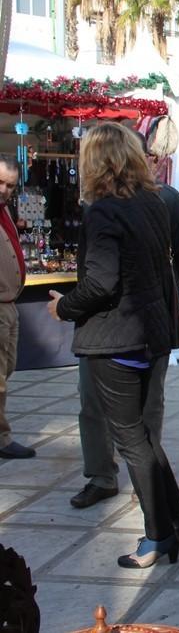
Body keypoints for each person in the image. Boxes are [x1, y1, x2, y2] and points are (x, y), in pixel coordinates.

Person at [46, 122, 179, 568]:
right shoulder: (152, 202)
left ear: (95, 161)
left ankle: (158, 535)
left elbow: (100, 283)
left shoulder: (104, 211)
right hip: (151, 336)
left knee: (132, 440)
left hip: (117, 340)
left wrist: (63, 307)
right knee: (143, 437)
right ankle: (177, 519)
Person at [70, 129, 179, 509]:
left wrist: (162, 286)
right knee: (93, 403)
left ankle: (145, 479)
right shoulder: (98, 203)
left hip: (139, 326)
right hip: (107, 328)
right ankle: (101, 474)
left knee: (145, 409)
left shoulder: (164, 200)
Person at [0, 155, 33, 460]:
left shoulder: (5, 210)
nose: (3, 189)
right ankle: (2, 437)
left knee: (6, 369)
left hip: (10, 304)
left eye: (9, 185)